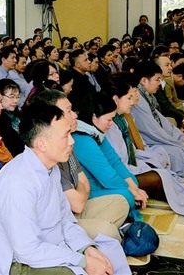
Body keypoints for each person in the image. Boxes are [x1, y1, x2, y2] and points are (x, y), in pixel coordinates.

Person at [0, 100, 130, 275]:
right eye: (65, 136)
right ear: (42, 144)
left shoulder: (51, 169)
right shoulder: (17, 181)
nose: (71, 141)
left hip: (53, 248)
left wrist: (86, 248)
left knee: (110, 251)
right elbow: (27, 250)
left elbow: (65, 220)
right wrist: (82, 261)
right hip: (19, 264)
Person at [33, 89, 129, 241]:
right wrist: (80, 194)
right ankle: (95, 235)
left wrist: (80, 194)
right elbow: (77, 203)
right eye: (69, 111)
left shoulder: (67, 142)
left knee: (121, 202)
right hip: (59, 224)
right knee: (108, 231)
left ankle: (92, 235)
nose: (75, 115)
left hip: (75, 212)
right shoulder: (49, 154)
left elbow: (83, 183)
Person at [103, 74, 184, 217]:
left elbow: (133, 150)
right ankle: (172, 190)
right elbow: (117, 162)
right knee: (159, 175)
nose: (132, 101)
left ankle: (174, 188)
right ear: (116, 99)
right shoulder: (109, 124)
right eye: (129, 97)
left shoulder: (121, 119)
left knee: (160, 163)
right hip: (122, 173)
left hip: (129, 165)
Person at [73, 92, 149, 222]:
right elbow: (107, 176)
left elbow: (115, 162)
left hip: (104, 184)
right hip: (91, 191)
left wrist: (134, 188)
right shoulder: (82, 139)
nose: (111, 124)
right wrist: (132, 192)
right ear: (94, 117)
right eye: (109, 120)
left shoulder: (95, 133)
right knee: (126, 195)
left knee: (132, 180)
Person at [131, 61, 184, 177]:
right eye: (157, 79)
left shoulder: (147, 95)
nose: (159, 83)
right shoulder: (138, 99)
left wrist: (180, 137)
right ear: (144, 81)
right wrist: (179, 144)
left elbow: (160, 119)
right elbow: (152, 131)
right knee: (178, 154)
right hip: (149, 142)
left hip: (157, 137)